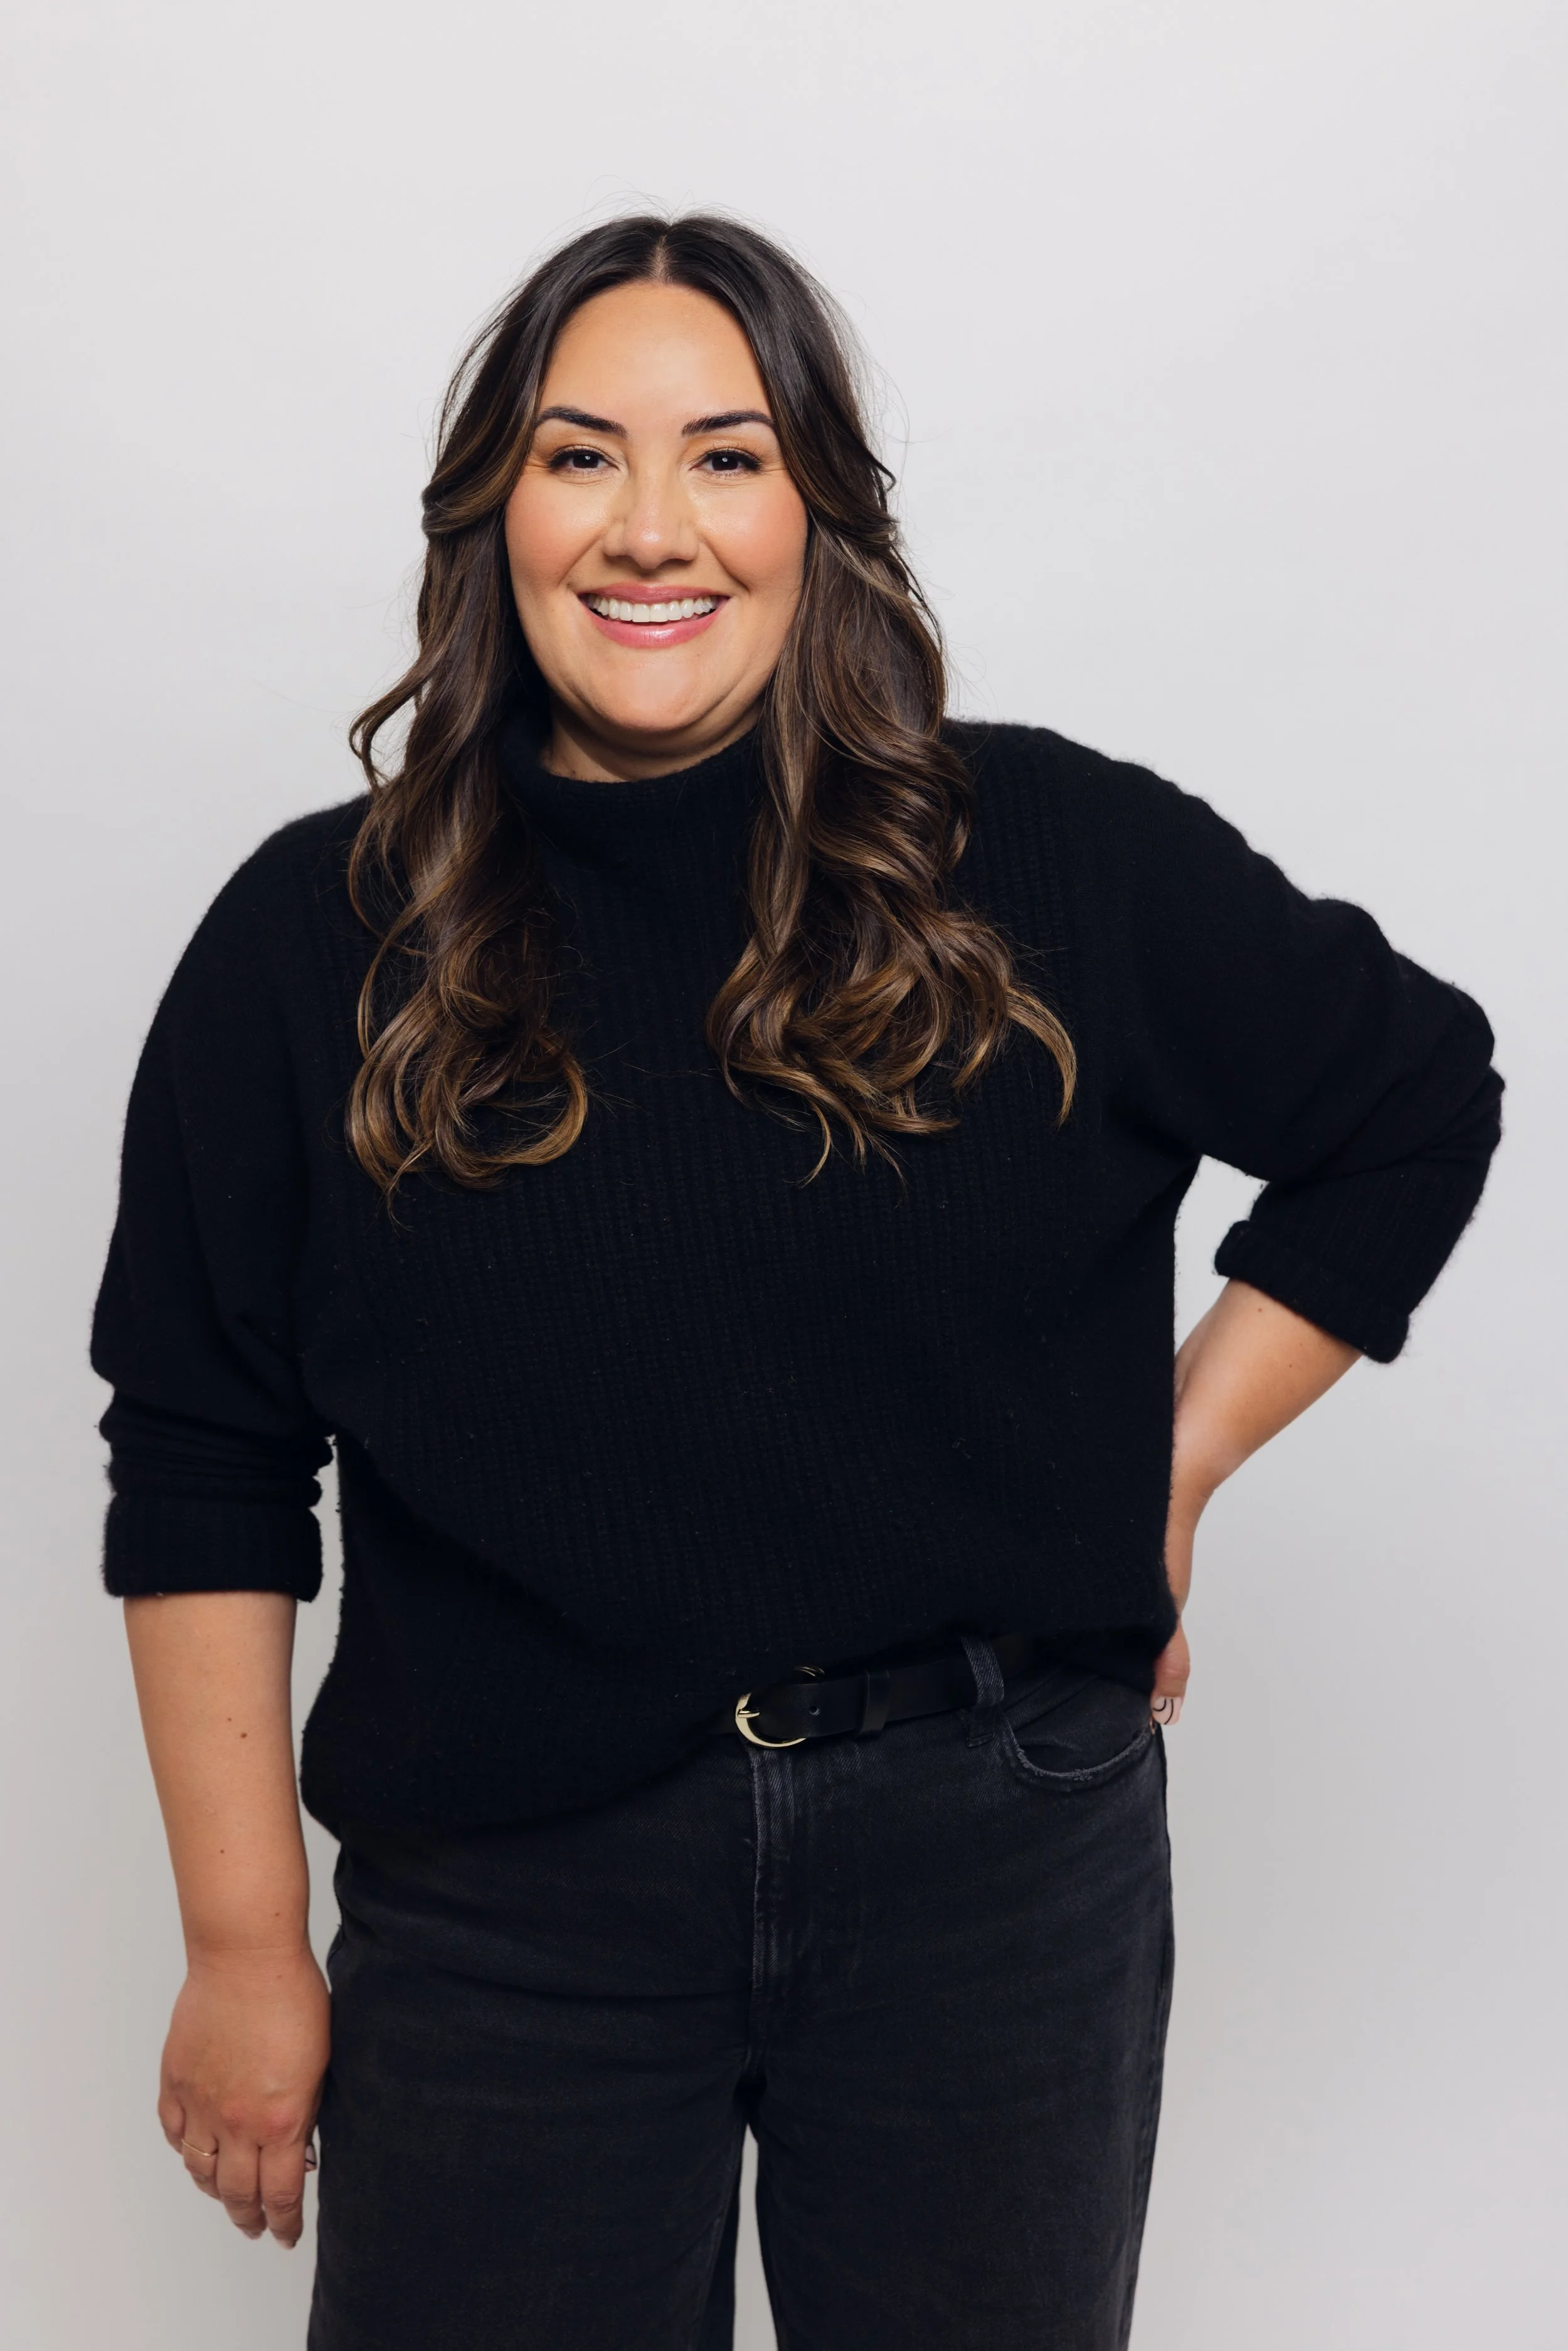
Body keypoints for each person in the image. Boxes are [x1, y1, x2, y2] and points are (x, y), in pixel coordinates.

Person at [95, 214, 1501, 2351]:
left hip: (993, 1862)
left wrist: (1170, 1476)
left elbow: (1412, 1095)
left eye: (727, 457)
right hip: (508, 1905)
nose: (651, 527)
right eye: (580, 457)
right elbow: (202, 1450)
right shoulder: (317, 940)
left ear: (819, 510)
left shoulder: (1047, 856)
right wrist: (239, 1941)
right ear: (494, 509)